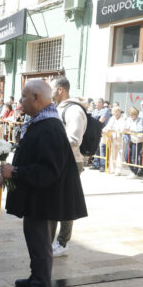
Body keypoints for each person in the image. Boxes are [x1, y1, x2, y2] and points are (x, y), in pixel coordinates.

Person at [0, 80, 87, 287]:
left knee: (40, 244)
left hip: (44, 199)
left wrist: (15, 171)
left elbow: (48, 169)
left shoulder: (48, 126)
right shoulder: (41, 122)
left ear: (36, 97)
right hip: (39, 197)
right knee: (38, 242)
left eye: (23, 97)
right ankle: (36, 278)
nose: (20, 102)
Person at [50, 76, 86, 257]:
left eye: (51, 88)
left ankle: (63, 242)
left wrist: (50, 140)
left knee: (65, 203)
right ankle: (53, 239)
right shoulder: (59, 108)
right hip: (59, 161)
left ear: (60, 90)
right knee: (57, 201)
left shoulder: (74, 111)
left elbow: (74, 139)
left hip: (70, 162)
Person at [91, 98, 112, 172]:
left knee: (102, 148)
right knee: (96, 147)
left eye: (97, 103)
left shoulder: (106, 110)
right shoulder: (95, 111)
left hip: (104, 132)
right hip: (96, 131)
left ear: (101, 103)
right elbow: (92, 120)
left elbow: (102, 120)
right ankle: (96, 164)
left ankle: (103, 165)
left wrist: (94, 122)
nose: (96, 104)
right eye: (96, 103)